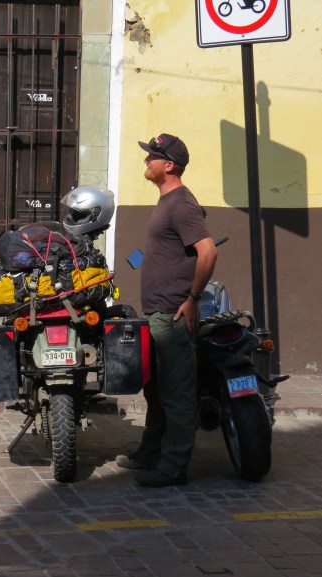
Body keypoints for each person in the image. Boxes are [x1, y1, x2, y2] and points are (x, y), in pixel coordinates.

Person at [116, 133, 218, 487]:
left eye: (152, 157)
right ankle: (151, 453)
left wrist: (192, 299)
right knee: (156, 391)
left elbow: (208, 252)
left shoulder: (182, 204)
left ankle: (173, 467)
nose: (146, 162)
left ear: (169, 165)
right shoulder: (167, 201)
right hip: (158, 312)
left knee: (176, 395)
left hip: (174, 314)